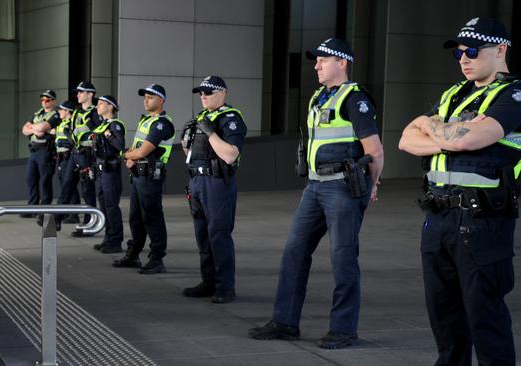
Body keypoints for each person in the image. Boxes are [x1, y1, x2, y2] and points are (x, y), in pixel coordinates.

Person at [398, 17, 519, 365]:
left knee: (485, 317)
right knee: (444, 316)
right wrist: (449, 136)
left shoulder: (513, 95)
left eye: (471, 51)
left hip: (482, 221)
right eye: (458, 53)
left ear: (500, 49)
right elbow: (406, 138)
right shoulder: (453, 94)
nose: (463, 59)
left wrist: (435, 129)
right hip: (437, 217)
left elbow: (473, 138)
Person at [249, 38, 383, 347]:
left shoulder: (355, 99)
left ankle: (344, 329)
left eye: (324, 59)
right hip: (314, 186)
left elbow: (374, 150)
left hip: (343, 187)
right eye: (317, 60)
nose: (317, 65)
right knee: (294, 252)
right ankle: (284, 322)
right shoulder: (318, 98)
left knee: (343, 257)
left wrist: (372, 185)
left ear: (343, 63)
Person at [180, 76, 247, 304]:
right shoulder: (202, 117)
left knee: (219, 235)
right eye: (201, 93)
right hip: (197, 182)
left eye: (208, 92)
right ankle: (208, 281)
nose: (203, 96)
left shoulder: (230, 118)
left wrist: (210, 133)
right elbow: (190, 153)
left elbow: (230, 155)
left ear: (223, 93)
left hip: (217, 183)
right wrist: (186, 138)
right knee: (203, 236)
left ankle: (225, 287)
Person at [112, 84, 174, 272]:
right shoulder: (146, 121)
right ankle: (133, 254)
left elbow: (145, 150)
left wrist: (126, 156)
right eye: (145, 97)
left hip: (150, 177)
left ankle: (157, 259)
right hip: (139, 175)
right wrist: (131, 155)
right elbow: (136, 147)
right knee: (136, 218)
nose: (146, 100)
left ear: (161, 100)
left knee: (152, 217)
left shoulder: (162, 123)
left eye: (150, 97)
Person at [59, 81, 100, 237]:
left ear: (90, 94)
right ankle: (57, 217)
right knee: (66, 186)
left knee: (87, 191)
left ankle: (88, 224)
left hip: (87, 154)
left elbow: (99, 131)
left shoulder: (95, 112)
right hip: (75, 153)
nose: (78, 95)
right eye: (78, 92)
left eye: (81, 92)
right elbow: (68, 129)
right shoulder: (76, 112)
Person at [92, 95, 125, 253]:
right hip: (100, 170)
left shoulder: (115, 125)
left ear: (110, 107)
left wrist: (109, 135)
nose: (97, 106)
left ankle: (116, 241)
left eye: (101, 103)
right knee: (104, 205)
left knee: (111, 206)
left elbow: (120, 145)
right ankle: (108, 237)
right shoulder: (101, 125)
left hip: (110, 170)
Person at [21, 90, 60, 223]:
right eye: (43, 99)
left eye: (47, 100)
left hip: (46, 151)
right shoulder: (37, 113)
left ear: (53, 101)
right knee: (31, 179)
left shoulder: (55, 115)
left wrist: (35, 128)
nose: (44, 102)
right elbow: (24, 129)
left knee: (45, 181)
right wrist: (35, 129)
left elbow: (43, 129)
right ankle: (32, 208)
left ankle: (44, 209)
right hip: (34, 151)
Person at [54, 100, 81, 224]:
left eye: (61, 110)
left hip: (68, 158)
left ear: (67, 111)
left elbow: (74, 141)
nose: (59, 111)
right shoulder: (62, 123)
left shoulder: (71, 124)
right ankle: (66, 213)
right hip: (60, 158)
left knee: (70, 187)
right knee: (64, 186)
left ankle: (73, 214)